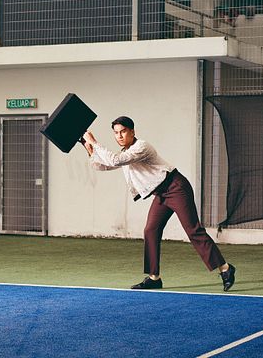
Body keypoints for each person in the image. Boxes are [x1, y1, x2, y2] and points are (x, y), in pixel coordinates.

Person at [83, 116, 236, 291]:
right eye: (116, 133)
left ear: (132, 131)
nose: (119, 136)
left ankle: (225, 268)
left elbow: (114, 161)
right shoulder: (125, 153)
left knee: (193, 230)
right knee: (151, 230)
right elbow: (104, 166)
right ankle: (154, 277)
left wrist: (94, 142)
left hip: (176, 187)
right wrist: (90, 151)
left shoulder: (141, 147)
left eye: (123, 131)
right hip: (161, 194)